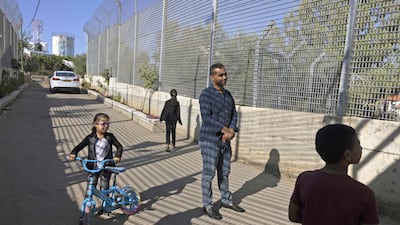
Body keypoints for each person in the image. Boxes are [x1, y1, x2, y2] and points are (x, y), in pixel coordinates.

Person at [288, 124, 380, 225]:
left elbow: (293, 216)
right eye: (358, 144)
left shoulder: (304, 179)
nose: (361, 148)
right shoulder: (365, 194)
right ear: (347, 155)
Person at [198, 63, 245, 220]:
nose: (224, 77)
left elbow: (234, 115)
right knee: (209, 173)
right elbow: (207, 118)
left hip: (225, 141)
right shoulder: (206, 95)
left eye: (225, 74)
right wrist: (225, 131)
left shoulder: (228, 95)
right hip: (210, 140)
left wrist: (230, 131)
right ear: (212, 77)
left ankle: (226, 200)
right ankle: (208, 205)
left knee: (224, 173)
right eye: (220, 75)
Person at [68, 112, 123, 214]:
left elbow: (119, 146)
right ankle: (87, 208)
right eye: (103, 124)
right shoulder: (90, 138)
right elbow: (79, 146)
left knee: (104, 186)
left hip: (107, 166)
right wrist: (73, 153)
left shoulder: (110, 137)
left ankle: (105, 206)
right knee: (90, 186)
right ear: (95, 124)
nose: (106, 126)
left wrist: (117, 157)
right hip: (93, 167)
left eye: (108, 123)